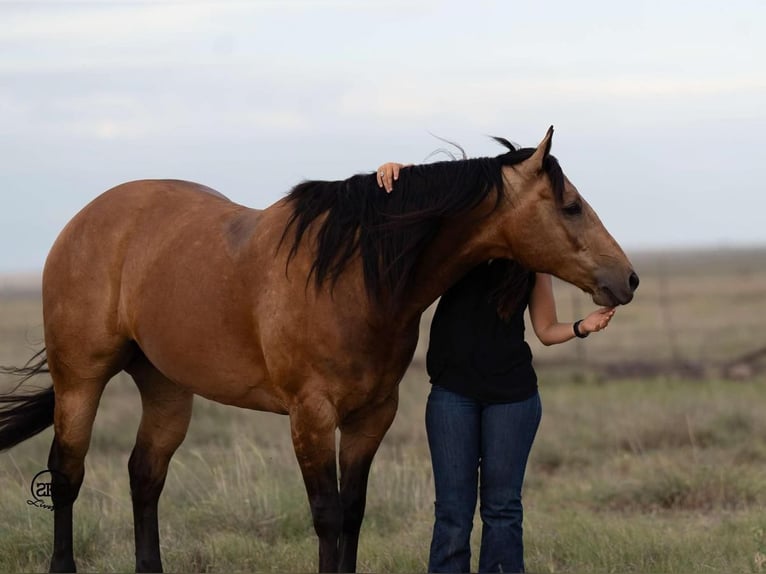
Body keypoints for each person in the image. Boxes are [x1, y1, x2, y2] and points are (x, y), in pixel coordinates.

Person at [376, 162, 616, 573]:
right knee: (452, 511)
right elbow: (434, 199)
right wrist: (404, 170)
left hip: (513, 399)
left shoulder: (533, 262)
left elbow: (544, 329)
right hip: (453, 395)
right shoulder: (456, 248)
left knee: (503, 509)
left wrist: (580, 327)